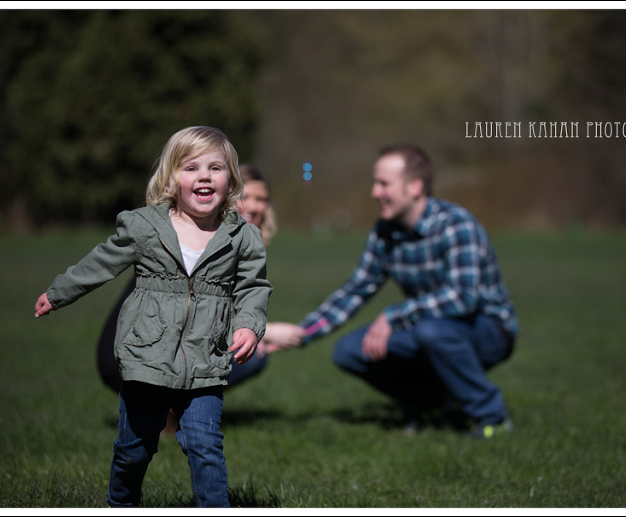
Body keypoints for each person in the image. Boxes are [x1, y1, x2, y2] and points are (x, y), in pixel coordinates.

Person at [34, 126, 272, 507]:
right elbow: (102, 262)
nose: (204, 176)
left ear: (232, 181)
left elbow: (253, 288)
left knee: (205, 446)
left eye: (216, 167)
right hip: (147, 358)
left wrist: (249, 325)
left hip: (205, 360)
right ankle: (122, 503)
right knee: (134, 450)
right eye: (191, 167)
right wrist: (59, 292)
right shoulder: (146, 226)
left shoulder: (242, 237)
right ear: (171, 177)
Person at [269, 144, 518, 439]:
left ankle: (492, 416)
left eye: (384, 184)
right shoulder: (384, 232)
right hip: (429, 328)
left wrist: (394, 315)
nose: (375, 193)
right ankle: (432, 404)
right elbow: (354, 292)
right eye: (375, 183)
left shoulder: (456, 224)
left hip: (488, 329)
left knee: (432, 332)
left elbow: (464, 297)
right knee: (350, 351)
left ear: (415, 187)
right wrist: (303, 333)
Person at [96, 164, 291, 396]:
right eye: (245, 196)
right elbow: (190, 313)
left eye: (262, 199)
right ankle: (170, 419)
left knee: (249, 352)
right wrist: (265, 331)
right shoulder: (199, 241)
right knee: (248, 357)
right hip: (133, 357)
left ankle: (178, 414)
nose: (255, 206)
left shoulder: (232, 243)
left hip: (152, 351)